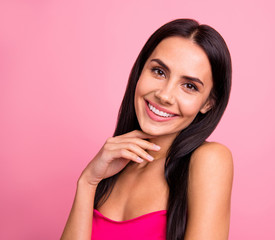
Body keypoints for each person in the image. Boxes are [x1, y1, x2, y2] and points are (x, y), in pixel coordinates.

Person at [61, 18, 233, 240]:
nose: (164, 95)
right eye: (159, 72)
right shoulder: (113, 167)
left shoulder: (210, 160)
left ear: (208, 103)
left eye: (189, 86)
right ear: (140, 71)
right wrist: (87, 182)